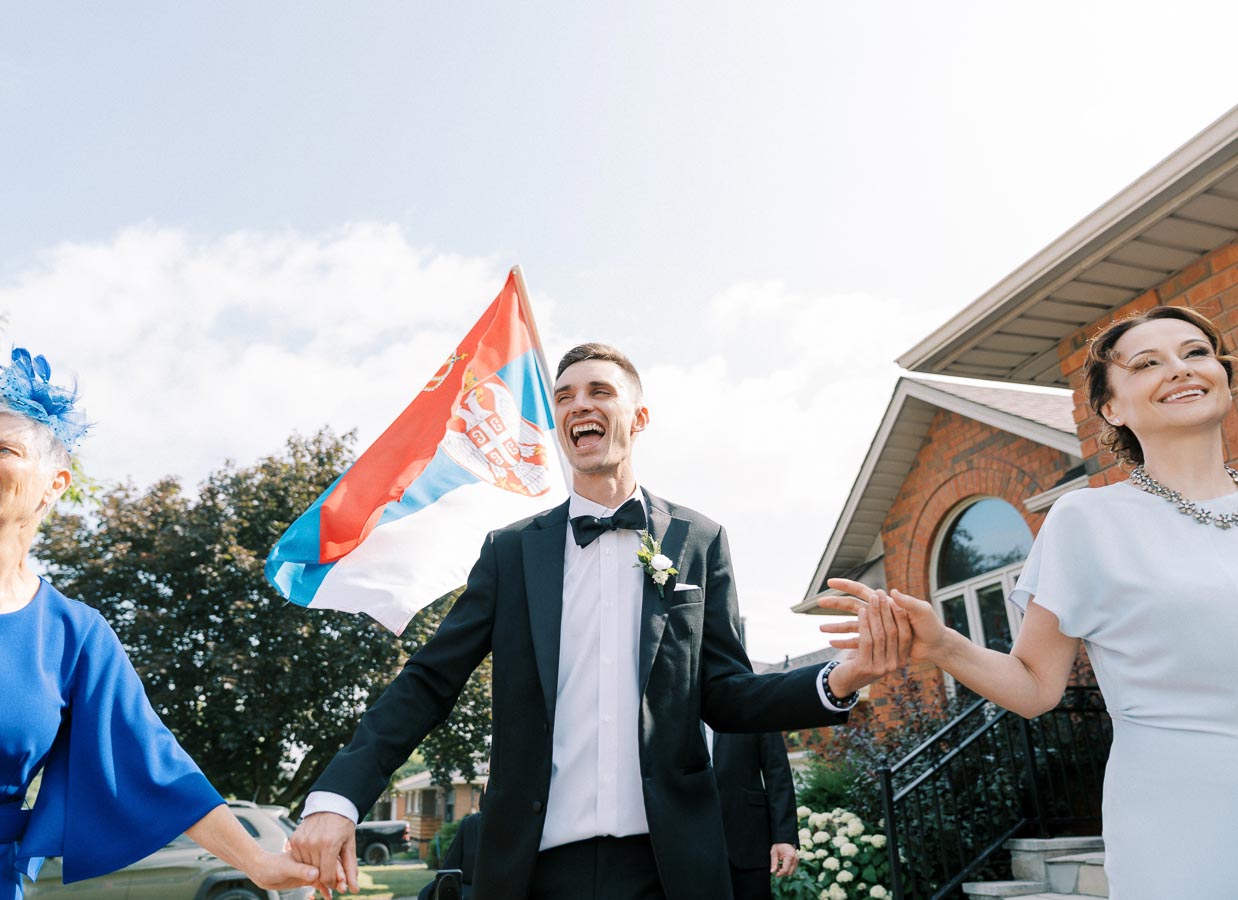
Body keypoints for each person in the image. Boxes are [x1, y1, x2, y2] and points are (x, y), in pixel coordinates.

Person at [289, 343, 912, 900]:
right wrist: (338, 794)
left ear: (638, 418)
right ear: (557, 424)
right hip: (533, 867)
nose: (577, 404)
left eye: (599, 392)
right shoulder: (511, 553)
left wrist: (839, 678)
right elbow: (429, 680)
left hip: (670, 869)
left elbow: (726, 695)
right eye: (564, 397)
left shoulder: (700, 539)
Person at [822, 306, 1238, 900]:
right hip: (1180, 819)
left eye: (1195, 353)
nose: (1180, 369)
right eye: (1148, 363)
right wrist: (939, 642)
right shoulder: (1088, 521)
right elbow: (1035, 686)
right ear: (1112, 409)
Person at [0, 349, 318, 898]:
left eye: (1, 449)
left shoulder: (76, 634)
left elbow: (155, 764)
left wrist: (258, 862)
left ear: (55, 483)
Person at [711, 731, 798, 900]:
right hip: (689, 846)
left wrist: (784, 837)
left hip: (747, 838)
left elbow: (777, 770)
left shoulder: (752, 704)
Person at [417, 812, 481, 900]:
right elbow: (449, 871)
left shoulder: (472, 823)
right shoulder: (471, 824)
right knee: (425, 893)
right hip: (465, 889)